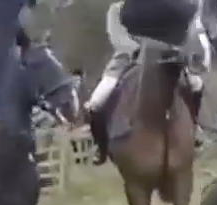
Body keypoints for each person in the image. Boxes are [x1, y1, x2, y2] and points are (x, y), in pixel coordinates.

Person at [83, 0, 206, 166]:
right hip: (126, 61)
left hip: (167, 56)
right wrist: (144, 50)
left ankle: (194, 127)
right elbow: (119, 39)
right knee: (96, 102)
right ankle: (102, 147)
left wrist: (174, 48)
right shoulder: (116, 11)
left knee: (196, 84)